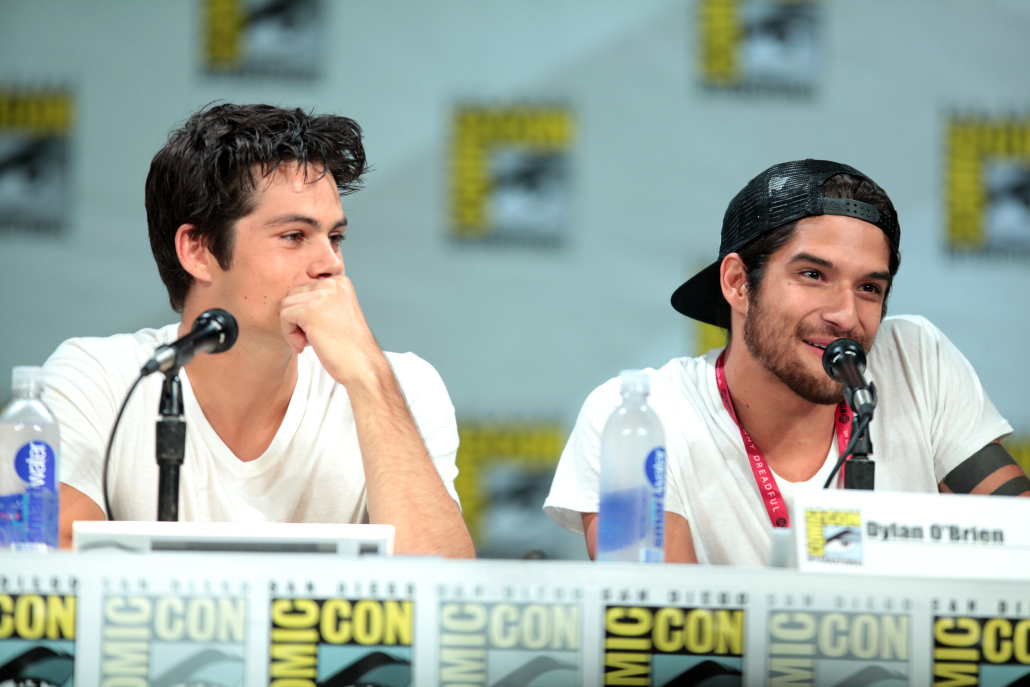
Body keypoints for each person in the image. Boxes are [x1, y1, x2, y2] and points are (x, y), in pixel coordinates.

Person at [544, 159, 1026, 566]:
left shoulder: (913, 359)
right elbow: (657, 630)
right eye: (813, 274)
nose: (846, 316)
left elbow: (1019, 537)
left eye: (869, 288)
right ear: (737, 283)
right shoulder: (637, 417)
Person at [45, 103, 474, 557]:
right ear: (198, 250)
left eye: (335, 237)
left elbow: (440, 589)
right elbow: (48, 562)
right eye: (294, 236)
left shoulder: (400, 388)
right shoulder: (100, 379)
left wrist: (368, 378)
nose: (331, 264)